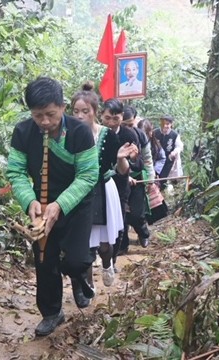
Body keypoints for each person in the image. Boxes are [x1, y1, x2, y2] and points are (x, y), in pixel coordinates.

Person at [6, 77, 99, 336]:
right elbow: (15, 172)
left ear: (63, 106)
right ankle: (52, 312)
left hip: (76, 202)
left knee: (76, 259)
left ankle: (79, 277)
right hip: (41, 204)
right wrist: (29, 200)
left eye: (50, 114)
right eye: (38, 116)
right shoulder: (23, 132)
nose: (45, 122)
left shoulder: (80, 132)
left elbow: (88, 176)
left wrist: (61, 204)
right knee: (45, 259)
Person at [70, 82, 138, 294]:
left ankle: (107, 264)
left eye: (85, 111)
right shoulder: (68, 135)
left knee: (104, 243)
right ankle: (88, 285)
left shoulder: (108, 136)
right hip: (78, 191)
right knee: (85, 242)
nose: (80, 116)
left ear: (94, 113)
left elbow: (121, 170)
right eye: (76, 111)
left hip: (103, 191)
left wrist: (120, 158)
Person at [99, 100, 143, 270]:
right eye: (107, 118)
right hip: (99, 183)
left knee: (119, 223)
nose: (110, 123)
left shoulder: (129, 135)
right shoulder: (96, 133)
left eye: (115, 119)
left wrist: (131, 159)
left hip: (120, 184)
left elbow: (138, 163)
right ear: (101, 115)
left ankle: (113, 259)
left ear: (121, 117)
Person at [118, 106, 156, 252]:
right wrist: (124, 177)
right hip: (120, 179)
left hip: (138, 178)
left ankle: (143, 233)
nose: (127, 128)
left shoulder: (140, 135)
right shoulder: (113, 134)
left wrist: (150, 178)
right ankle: (122, 245)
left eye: (130, 124)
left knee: (136, 213)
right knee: (121, 214)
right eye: (124, 124)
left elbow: (147, 158)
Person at [137, 118, 168, 225]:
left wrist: (154, 171)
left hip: (151, 177)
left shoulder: (155, 145)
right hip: (138, 176)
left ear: (150, 133)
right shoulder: (135, 142)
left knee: (154, 203)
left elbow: (162, 158)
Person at [153, 115, 184, 188]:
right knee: (154, 177)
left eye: (167, 124)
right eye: (163, 124)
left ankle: (162, 191)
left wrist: (174, 152)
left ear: (171, 124)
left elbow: (179, 146)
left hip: (168, 160)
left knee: (163, 179)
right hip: (156, 159)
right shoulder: (155, 132)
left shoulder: (174, 135)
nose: (165, 126)